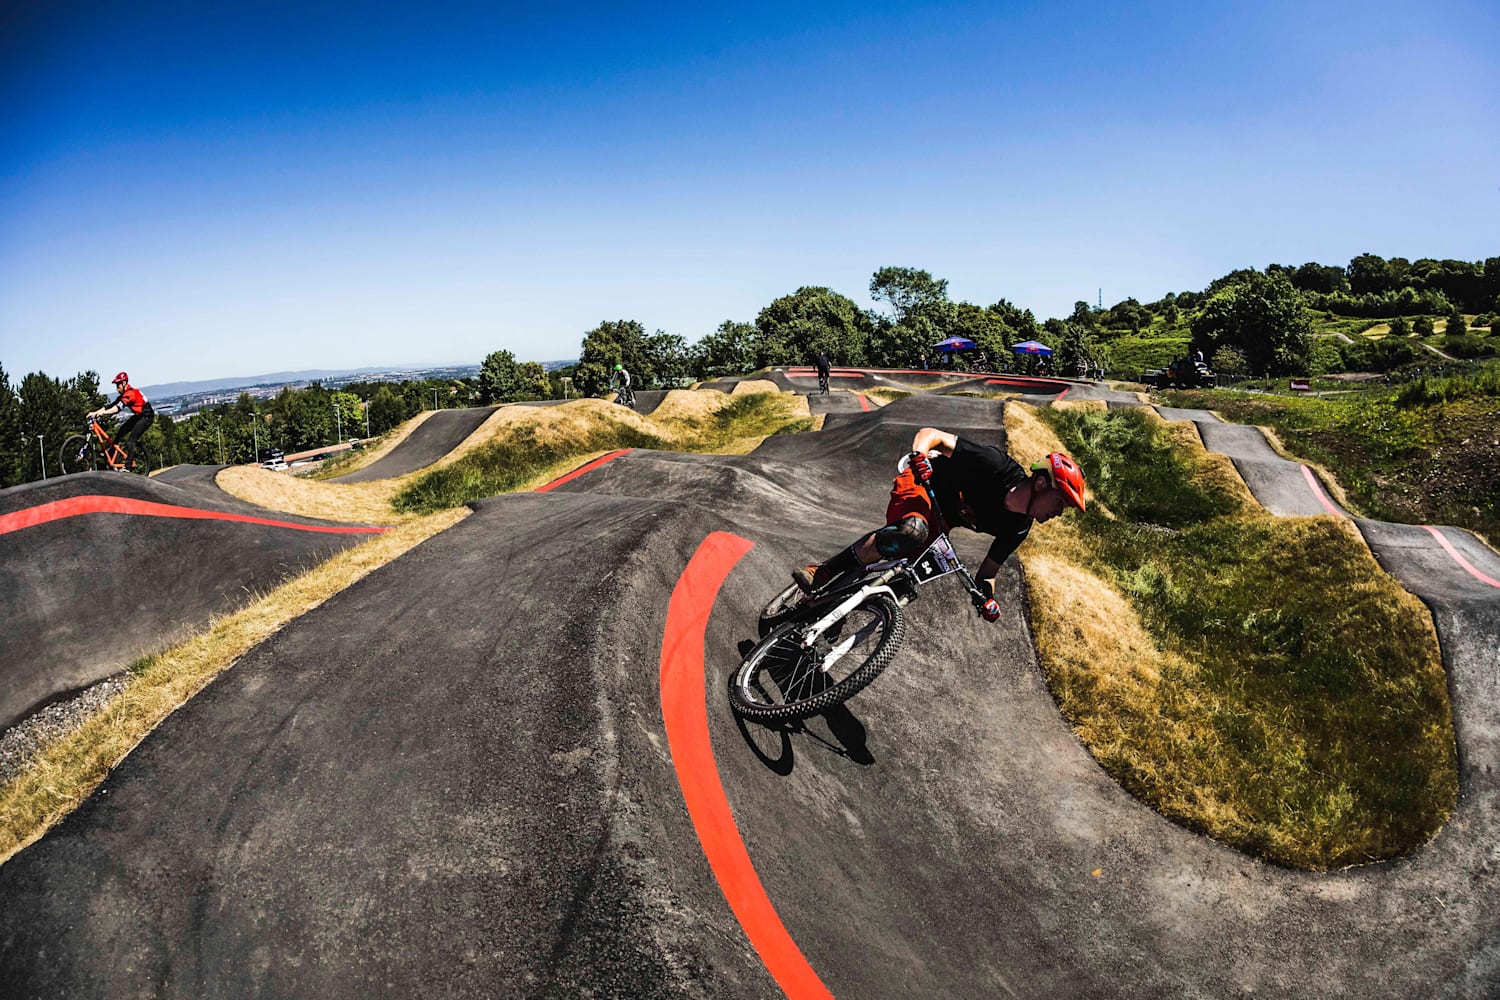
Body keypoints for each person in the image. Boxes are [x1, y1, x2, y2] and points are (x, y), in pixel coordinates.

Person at [792, 427, 1087, 622]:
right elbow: (932, 435)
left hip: (942, 520)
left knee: (904, 580)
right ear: (1040, 483)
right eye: (1060, 503)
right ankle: (823, 571)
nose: (1059, 513)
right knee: (912, 532)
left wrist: (988, 597)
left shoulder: (1019, 527)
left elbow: (988, 573)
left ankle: (832, 608)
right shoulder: (996, 465)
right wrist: (919, 455)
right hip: (922, 484)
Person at [87, 371, 155, 470]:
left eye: (118, 385)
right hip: (139, 416)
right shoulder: (124, 394)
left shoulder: (130, 393)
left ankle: (128, 466)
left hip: (146, 417)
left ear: (124, 383)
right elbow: (110, 406)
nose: (117, 388)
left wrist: (104, 413)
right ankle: (110, 454)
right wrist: (94, 412)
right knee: (121, 431)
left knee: (132, 439)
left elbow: (117, 409)